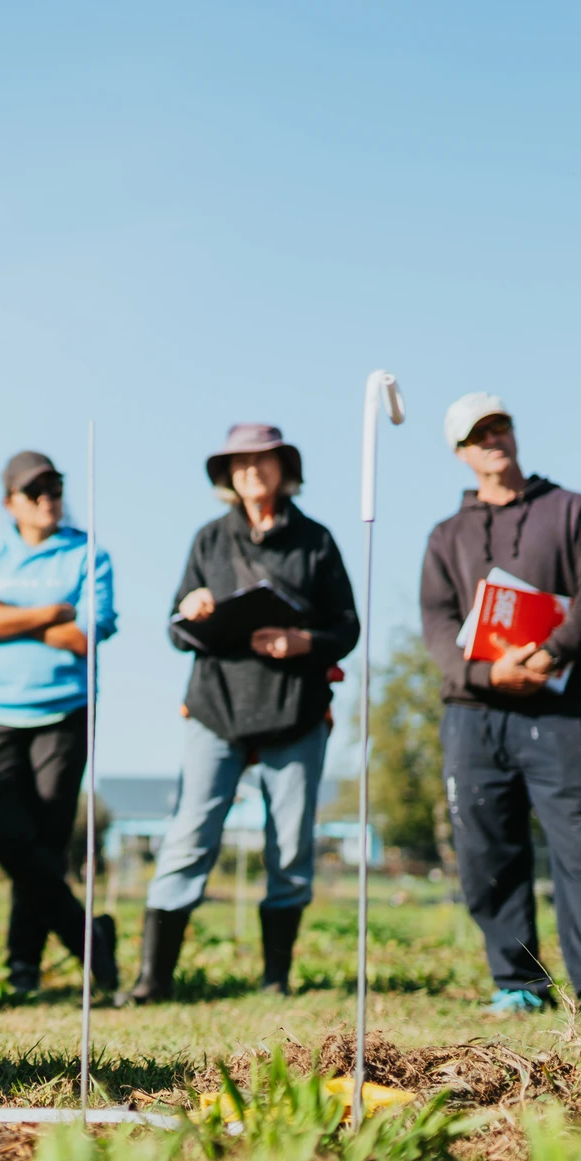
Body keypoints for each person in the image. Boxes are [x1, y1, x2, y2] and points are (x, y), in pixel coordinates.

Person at [420, 393, 581, 1020]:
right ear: (461, 454)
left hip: (558, 710)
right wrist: (486, 670)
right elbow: (436, 621)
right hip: (473, 713)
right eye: (477, 435)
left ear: (514, 433)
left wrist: (549, 655)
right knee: (486, 847)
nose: (492, 440)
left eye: (499, 427)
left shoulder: (574, 513)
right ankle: (518, 982)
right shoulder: (445, 536)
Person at [129, 425, 357, 1004]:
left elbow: (346, 626)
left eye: (263, 459)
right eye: (240, 461)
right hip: (216, 706)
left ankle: (275, 978)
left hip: (294, 710)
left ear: (284, 467)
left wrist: (302, 641)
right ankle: (152, 981)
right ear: (226, 473)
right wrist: (193, 606)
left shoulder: (316, 541)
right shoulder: (209, 539)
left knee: (291, 844)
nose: (252, 469)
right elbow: (176, 629)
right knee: (189, 834)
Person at [0, 450, 116, 995]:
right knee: (3, 829)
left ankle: (22, 965)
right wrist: (53, 611)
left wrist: (8, 616)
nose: (48, 498)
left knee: (44, 844)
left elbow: (85, 638)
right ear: (10, 504)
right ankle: (89, 939)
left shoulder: (88, 554)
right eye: (35, 492)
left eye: (54, 487)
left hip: (63, 712)